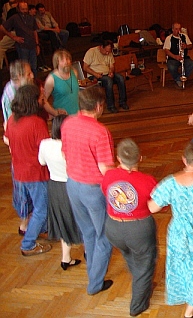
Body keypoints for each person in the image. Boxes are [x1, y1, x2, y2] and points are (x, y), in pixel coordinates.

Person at [149, 143, 193, 318]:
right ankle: (190, 311)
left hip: (177, 233)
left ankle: (189, 303)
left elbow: (153, 207)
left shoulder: (170, 182)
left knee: (182, 267)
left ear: (184, 160)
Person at [61, 86, 114, 295]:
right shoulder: (100, 132)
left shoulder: (67, 123)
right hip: (93, 190)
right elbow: (105, 169)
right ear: (99, 106)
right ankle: (95, 283)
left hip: (72, 184)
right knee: (104, 235)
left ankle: (93, 272)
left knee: (88, 232)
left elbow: (65, 153)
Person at [101, 139, 157, 316]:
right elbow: (158, 204)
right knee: (145, 262)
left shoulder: (108, 176)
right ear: (139, 158)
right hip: (138, 230)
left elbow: (106, 193)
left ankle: (142, 280)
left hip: (112, 227)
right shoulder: (148, 180)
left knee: (128, 254)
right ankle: (137, 306)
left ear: (118, 158)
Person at [4, 84, 51, 256]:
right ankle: (28, 244)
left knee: (34, 206)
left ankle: (42, 229)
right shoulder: (37, 123)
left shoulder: (12, 120)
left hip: (19, 171)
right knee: (42, 208)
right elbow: (45, 149)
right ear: (33, 102)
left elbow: (8, 140)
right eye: (40, 97)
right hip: (35, 173)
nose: (43, 99)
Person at [38, 114, 82, 269]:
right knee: (80, 219)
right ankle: (88, 251)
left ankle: (66, 258)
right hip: (73, 185)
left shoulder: (44, 144)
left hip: (55, 186)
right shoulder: (72, 146)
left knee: (63, 221)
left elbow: (41, 162)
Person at [83, 40, 128, 113]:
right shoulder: (91, 52)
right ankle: (111, 106)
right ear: (101, 47)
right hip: (94, 75)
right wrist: (95, 74)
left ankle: (122, 102)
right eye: (106, 51)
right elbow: (85, 67)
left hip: (106, 73)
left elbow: (112, 66)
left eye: (109, 51)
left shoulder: (109, 53)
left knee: (120, 78)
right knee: (108, 81)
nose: (107, 53)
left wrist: (111, 71)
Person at [0, 1, 41, 75]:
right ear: (18, 9)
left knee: (34, 67)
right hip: (22, 46)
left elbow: (34, 31)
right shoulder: (15, 18)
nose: (24, 11)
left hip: (32, 45)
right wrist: (14, 37)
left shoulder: (31, 18)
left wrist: (37, 44)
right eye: (22, 9)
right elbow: (2, 27)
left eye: (26, 9)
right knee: (24, 68)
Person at [43, 49, 80, 115]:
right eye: (62, 60)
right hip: (62, 117)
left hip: (76, 115)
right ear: (57, 62)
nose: (66, 62)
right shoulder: (51, 78)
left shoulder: (74, 72)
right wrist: (54, 113)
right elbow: (43, 100)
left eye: (67, 59)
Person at [164, 22, 193, 88]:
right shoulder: (169, 38)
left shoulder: (184, 36)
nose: (178, 31)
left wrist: (186, 46)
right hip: (173, 58)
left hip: (184, 57)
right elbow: (166, 51)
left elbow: (191, 46)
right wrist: (175, 56)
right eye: (176, 29)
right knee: (171, 66)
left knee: (191, 64)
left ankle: (181, 78)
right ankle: (178, 79)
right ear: (172, 29)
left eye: (179, 29)